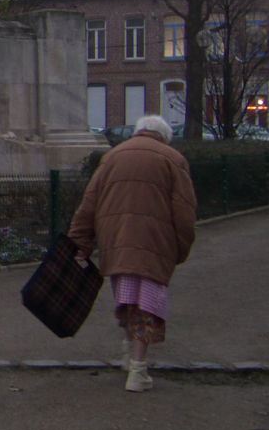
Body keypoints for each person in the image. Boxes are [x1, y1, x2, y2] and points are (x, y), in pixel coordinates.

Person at [68, 114, 197, 393]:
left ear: (137, 132)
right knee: (147, 304)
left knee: (127, 300)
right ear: (163, 137)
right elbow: (185, 212)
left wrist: (80, 242)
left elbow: (89, 203)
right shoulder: (173, 159)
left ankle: (128, 356)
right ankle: (138, 370)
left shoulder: (112, 157)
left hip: (116, 241)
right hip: (155, 244)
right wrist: (181, 248)